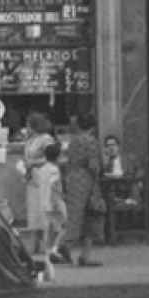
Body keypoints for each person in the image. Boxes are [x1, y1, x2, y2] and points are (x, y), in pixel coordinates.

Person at [62, 113, 104, 267]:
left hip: (72, 178)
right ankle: (81, 254)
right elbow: (94, 165)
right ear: (93, 126)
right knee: (91, 215)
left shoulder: (73, 141)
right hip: (87, 180)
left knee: (75, 214)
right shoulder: (91, 141)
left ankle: (65, 246)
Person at [17, 112, 55, 253]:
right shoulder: (31, 139)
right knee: (34, 212)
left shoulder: (46, 139)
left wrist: (33, 162)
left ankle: (48, 246)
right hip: (32, 178)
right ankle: (37, 245)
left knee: (44, 210)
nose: (26, 127)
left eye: (28, 124)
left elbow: (51, 158)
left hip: (43, 177)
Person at [35, 142, 68, 271]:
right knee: (64, 226)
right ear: (58, 157)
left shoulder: (42, 169)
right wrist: (58, 202)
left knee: (51, 229)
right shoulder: (54, 170)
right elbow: (54, 187)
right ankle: (54, 249)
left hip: (44, 203)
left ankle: (48, 253)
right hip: (55, 201)